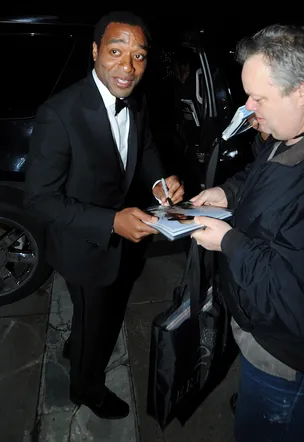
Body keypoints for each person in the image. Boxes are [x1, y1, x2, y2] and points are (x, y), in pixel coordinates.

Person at [24, 10, 184, 420]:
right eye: (116, 51)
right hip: (84, 246)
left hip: (122, 241)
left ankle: (76, 343)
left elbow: (144, 147)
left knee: (89, 316)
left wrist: (157, 182)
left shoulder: (136, 100)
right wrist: (111, 222)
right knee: (96, 322)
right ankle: (86, 388)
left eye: (139, 56)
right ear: (95, 51)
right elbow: (39, 200)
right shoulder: (60, 113)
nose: (127, 67)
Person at [190, 24, 304, 442]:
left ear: (302, 90)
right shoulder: (292, 132)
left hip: (287, 363)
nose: (248, 107)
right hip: (260, 336)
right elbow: (261, 173)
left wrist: (228, 241)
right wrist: (226, 192)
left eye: (259, 98)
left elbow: (298, 300)